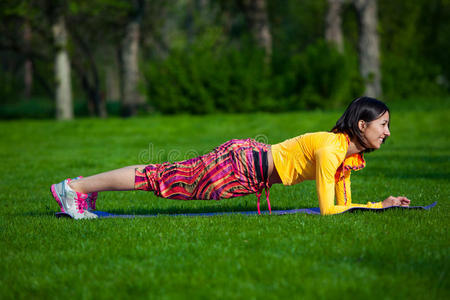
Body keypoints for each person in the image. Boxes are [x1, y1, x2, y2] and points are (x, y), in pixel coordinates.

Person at [50, 97, 411, 219]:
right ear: (361, 124)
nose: (387, 132)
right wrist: (378, 206)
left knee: (160, 177)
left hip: (247, 168)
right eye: (383, 125)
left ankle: (81, 190)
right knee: (159, 178)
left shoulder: (347, 156)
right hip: (238, 166)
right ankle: (74, 188)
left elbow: (344, 204)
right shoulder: (332, 149)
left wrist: (382, 205)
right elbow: (329, 211)